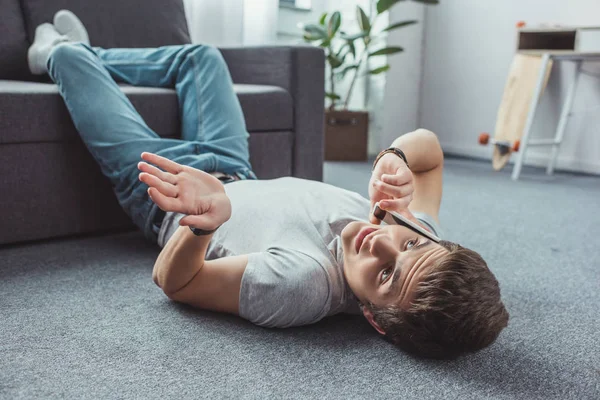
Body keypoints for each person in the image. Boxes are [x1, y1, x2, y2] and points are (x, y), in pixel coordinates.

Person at [28, 11, 509, 359]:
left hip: (166, 189)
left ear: (375, 322)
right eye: (408, 242)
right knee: (202, 58)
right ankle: (92, 53)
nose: (381, 241)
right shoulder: (414, 229)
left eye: (385, 276)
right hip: (236, 166)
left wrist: (203, 227)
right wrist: (396, 157)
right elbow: (431, 155)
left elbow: (175, 283)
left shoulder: (301, 285)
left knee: (68, 60)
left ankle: (58, 52)